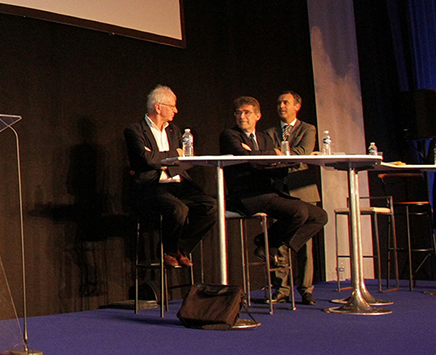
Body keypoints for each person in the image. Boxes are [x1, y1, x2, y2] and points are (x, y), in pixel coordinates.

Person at [218, 96, 327, 304]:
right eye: (238, 113)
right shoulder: (230, 135)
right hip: (248, 195)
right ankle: (270, 250)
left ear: (257, 116)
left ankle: (269, 244)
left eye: (247, 113)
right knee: (298, 212)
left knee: (319, 216)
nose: (242, 116)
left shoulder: (264, 137)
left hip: (270, 191)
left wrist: (261, 156)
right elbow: (250, 161)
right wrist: (270, 156)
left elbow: (281, 165)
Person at [124, 85, 217, 268]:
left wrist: (163, 162)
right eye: (172, 106)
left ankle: (180, 247)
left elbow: (188, 159)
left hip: (178, 184)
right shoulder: (135, 130)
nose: (176, 110)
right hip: (152, 187)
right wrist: (174, 155)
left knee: (213, 207)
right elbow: (146, 158)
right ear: (158, 107)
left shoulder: (174, 130)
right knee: (178, 209)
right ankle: (168, 251)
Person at [264, 91, 320, 305]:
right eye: (279, 103)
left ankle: (306, 288)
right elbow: (267, 156)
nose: (281, 106)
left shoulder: (308, 129)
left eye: (286, 102)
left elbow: (304, 151)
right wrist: (282, 155)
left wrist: (280, 154)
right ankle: (281, 288)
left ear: (297, 105)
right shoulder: (269, 132)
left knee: (305, 244)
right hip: (279, 191)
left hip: (302, 188)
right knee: (280, 242)